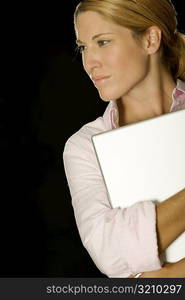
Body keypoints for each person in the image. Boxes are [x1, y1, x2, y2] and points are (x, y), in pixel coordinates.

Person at [63, 0, 185, 278]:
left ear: (150, 40)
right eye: (83, 47)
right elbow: (111, 253)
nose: (89, 63)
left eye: (103, 42)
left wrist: (165, 276)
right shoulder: (86, 145)